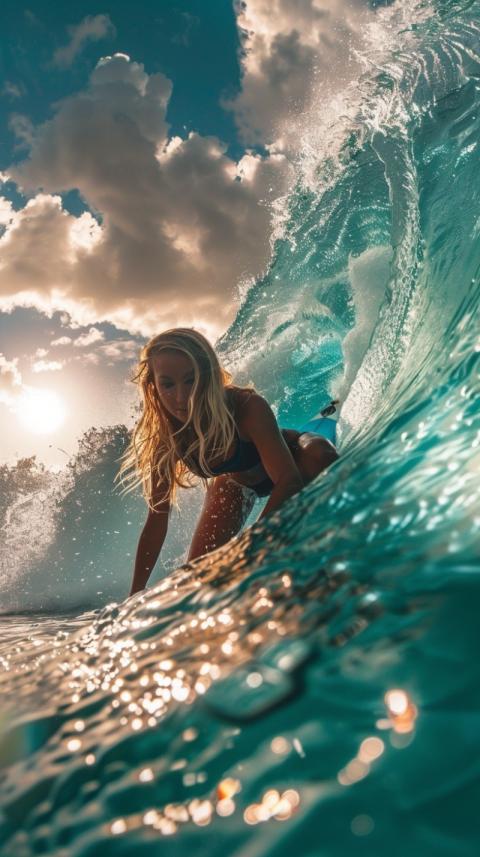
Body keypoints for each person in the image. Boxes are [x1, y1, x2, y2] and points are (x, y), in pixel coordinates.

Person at [121, 328, 338, 596]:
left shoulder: (245, 406)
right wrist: (134, 593)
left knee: (320, 455)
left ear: (209, 375)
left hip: (293, 458)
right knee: (200, 577)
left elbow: (288, 480)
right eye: (168, 384)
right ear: (153, 386)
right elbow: (157, 517)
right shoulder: (166, 439)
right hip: (238, 483)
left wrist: (252, 549)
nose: (181, 397)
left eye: (191, 380)